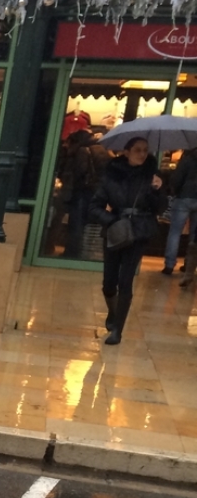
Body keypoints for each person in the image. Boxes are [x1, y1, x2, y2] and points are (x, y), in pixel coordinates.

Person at [87, 137, 166, 345]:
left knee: (126, 280)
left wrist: (156, 190)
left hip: (139, 232)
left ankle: (118, 331)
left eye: (145, 150)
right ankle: (113, 313)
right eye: (137, 150)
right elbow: (94, 207)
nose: (142, 154)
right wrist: (112, 220)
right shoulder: (112, 176)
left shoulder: (151, 177)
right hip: (115, 230)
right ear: (127, 152)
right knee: (108, 283)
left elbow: (159, 208)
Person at [57, 129, 95, 259]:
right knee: (80, 224)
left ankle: (72, 253)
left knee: (76, 223)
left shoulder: (81, 152)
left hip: (80, 192)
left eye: (68, 143)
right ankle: (76, 251)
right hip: (88, 192)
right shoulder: (94, 149)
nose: (65, 145)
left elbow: (79, 172)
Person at [164, 146, 197, 275]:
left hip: (184, 197)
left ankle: (169, 265)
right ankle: (189, 265)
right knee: (194, 235)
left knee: (175, 232)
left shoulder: (187, 159)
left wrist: (176, 191)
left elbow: (176, 179)